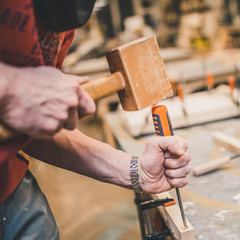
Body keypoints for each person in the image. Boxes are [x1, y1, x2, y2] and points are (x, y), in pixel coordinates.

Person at [0, 0, 191, 239]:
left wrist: (136, 171)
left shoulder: (64, 19)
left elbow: (38, 120)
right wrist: (9, 85)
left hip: (9, 186)